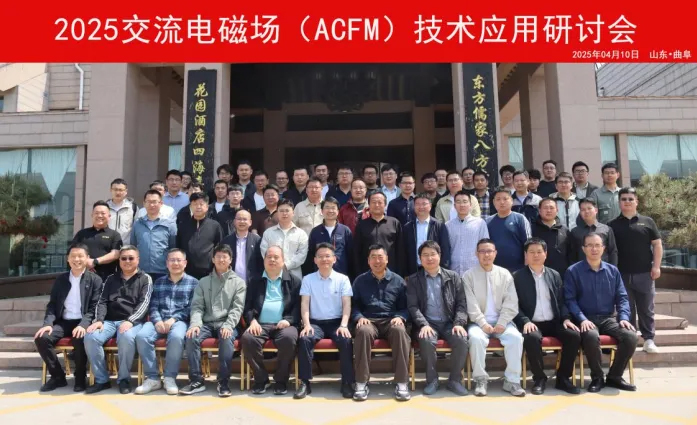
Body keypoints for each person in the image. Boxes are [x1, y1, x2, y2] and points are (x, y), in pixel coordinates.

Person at [565, 233, 638, 392]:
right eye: (590, 245)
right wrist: (582, 319)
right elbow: (570, 300)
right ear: (583, 249)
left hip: (608, 319)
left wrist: (624, 317)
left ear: (603, 248)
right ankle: (597, 378)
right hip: (586, 319)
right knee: (591, 336)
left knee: (631, 336)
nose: (594, 249)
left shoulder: (613, 271)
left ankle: (614, 376)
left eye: (597, 245)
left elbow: (622, 297)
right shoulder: (573, 271)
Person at [513, 238, 581, 395]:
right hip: (531, 322)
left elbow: (562, 300)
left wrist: (566, 318)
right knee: (531, 337)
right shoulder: (517, 277)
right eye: (532, 252)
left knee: (573, 335)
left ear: (545, 254)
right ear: (526, 255)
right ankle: (539, 378)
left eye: (539, 252)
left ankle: (563, 378)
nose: (536, 255)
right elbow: (513, 304)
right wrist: (525, 321)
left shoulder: (554, 275)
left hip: (554, 321)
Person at [84, 246, 153, 394]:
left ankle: (124, 379)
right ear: (119, 260)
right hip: (109, 321)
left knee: (126, 337)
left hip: (133, 321)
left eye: (131, 258)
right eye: (123, 258)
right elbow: (102, 301)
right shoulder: (111, 279)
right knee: (90, 337)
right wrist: (99, 320)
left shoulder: (145, 278)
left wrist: (130, 320)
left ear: (138, 260)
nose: (127, 261)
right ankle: (102, 380)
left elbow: (144, 303)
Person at [180, 244, 247, 397]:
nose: (221, 260)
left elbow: (237, 308)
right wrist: (195, 324)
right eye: (218, 256)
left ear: (230, 260)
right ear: (213, 259)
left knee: (226, 337)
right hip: (207, 323)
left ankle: (223, 381)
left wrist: (229, 325)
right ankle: (196, 380)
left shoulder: (239, 282)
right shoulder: (203, 282)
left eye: (225, 257)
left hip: (227, 323)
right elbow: (197, 306)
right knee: (191, 336)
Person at [34, 243, 103, 392]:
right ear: (68, 259)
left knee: (79, 337)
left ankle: (80, 377)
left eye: (80, 256)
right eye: (73, 256)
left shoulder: (95, 280)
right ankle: (58, 377)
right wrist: (48, 323)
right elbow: (52, 305)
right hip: (63, 322)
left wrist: (83, 324)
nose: (76, 259)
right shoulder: (61, 279)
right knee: (42, 338)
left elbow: (94, 307)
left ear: (87, 258)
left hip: (82, 321)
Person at [463, 239, 525, 397]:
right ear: (476, 254)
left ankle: (512, 381)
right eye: (482, 251)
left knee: (516, 338)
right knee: (476, 339)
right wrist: (483, 324)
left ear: (495, 253)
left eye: (489, 251)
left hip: (503, 322)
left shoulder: (505, 274)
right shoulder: (468, 276)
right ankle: (480, 380)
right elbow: (471, 305)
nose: (486, 255)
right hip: (477, 323)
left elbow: (511, 302)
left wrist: (502, 322)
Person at [406, 241, 469, 396]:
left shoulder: (453, 277)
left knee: (461, 339)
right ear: (420, 258)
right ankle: (432, 380)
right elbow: (413, 307)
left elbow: (461, 303)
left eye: (433, 254)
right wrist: (423, 324)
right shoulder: (414, 280)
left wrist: (459, 323)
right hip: (428, 323)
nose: (429, 258)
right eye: (425, 255)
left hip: (450, 322)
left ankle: (455, 380)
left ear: (439, 256)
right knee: (426, 340)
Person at [134, 249, 198, 395]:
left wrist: (173, 319)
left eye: (178, 260)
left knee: (176, 337)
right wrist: (157, 321)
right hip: (159, 319)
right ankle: (153, 378)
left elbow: (192, 308)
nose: (175, 263)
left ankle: (170, 377)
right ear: (167, 263)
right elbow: (153, 305)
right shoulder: (159, 282)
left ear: (185, 263)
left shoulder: (194, 283)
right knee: (142, 336)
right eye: (172, 260)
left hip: (180, 320)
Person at [351, 244, 411, 401]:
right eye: (373, 257)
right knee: (363, 331)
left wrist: (400, 317)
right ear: (368, 261)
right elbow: (353, 305)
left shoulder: (398, 281)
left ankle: (402, 382)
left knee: (400, 331)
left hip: (391, 320)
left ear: (387, 259)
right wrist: (359, 317)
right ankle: (361, 382)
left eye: (380, 257)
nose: (377, 261)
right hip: (369, 320)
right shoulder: (360, 281)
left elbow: (406, 307)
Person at [295, 243, 354, 399]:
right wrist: (306, 324)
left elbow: (347, 304)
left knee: (346, 339)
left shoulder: (343, 279)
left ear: (334, 259)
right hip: (315, 323)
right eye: (320, 256)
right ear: (315, 260)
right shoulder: (308, 279)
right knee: (305, 338)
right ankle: (304, 382)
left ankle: (347, 382)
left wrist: (344, 325)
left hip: (337, 322)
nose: (324, 259)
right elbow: (304, 304)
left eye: (327, 256)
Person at [609, 187, 663, 354]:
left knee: (646, 308)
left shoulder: (647, 222)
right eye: (624, 199)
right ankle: (629, 340)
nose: (627, 202)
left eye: (630, 199)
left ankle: (648, 339)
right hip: (621, 274)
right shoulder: (612, 225)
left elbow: (657, 245)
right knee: (626, 309)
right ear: (619, 202)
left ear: (636, 202)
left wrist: (656, 266)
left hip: (645, 273)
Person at [241, 245, 301, 395]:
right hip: (260, 324)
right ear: (264, 260)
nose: (272, 260)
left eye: (276, 257)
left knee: (289, 338)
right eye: (269, 257)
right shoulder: (255, 280)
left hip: (285, 324)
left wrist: (288, 320)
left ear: (283, 261)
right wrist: (252, 321)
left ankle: (281, 381)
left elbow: (298, 307)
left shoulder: (294, 281)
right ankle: (261, 379)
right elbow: (247, 306)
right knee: (248, 338)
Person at [132, 189, 177, 282]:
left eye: (154, 202)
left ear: (161, 203)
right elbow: (133, 246)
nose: (152, 205)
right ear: (144, 203)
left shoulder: (170, 224)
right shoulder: (137, 224)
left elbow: (173, 247)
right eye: (148, 202)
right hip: (141, 271)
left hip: (163, 271)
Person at [353, 192, 402, 276]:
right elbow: (356, 251)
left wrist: (400, 272)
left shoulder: (394, 223)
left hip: (391, 272)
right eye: (374, 202)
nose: (377, 205)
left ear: (385, 205)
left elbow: (400, 250)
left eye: (380, 202)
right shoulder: (361, 225)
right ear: (369, 205)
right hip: (367, 272)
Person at [176, 192, 224, 279]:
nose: (198, 207)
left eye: (201, 204)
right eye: (195, 204)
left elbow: (220, 246)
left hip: (208, 271)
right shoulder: (183, 225)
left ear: (207, 207)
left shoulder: (214, 225)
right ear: (190, 206)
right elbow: (178, 246)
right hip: (186, 271)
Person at [72, 201, 123, 281]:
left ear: (109, 216)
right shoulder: (82, 234)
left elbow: (116, 254)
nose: (99, 216)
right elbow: (72, 252)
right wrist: (85, 262)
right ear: (92, 215)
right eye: (96, 213)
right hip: (83, 278)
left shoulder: (114, 235)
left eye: (103, 213)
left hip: (107, 279)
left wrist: (95, 261)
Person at [403, 193, 451, 276]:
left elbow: (445, 249)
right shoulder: (408, 227)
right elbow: (404, 251)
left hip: (434, 270)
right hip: (413, 270)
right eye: (417, 204)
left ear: (430, 206)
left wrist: (443, 271)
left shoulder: (439, 226)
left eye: (424, 204)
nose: (421, 207)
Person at [260, 199, 309, 280]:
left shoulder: (301, 234)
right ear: (277, 213)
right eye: (281, 211)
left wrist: (285, 265)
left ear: (293, 213)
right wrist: (276, 264)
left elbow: (302, 255)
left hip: (294, 276)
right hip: (272, 274)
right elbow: (264, 252)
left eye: (287, 211)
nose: (284, 213)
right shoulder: (268, 233)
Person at [486, 188, 531, 273]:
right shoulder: (488, 221)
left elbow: (528, 244)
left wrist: (527, 268)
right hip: (495, 269)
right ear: (494, 202)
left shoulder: (520, 218)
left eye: (505, 199)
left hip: (518, 269)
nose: (502, 202)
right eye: (498, 199)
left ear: (512, 201)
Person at [306, 197, 352, 276]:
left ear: (338, 211)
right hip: (319, 275)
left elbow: (351, 255)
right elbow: (311, 255)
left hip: (341, 274)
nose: (330, 210)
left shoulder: (345, 230)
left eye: (333, 208)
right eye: (327, 207)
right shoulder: (315, 232)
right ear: (322, 211)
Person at [445, 190, 488, 275]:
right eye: (458, 202)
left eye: (465, 202)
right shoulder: (448, 225)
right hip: (454, 271)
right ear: (454, 206)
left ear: (470, 205)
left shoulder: (480, 223)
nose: (462, 205)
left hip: (474, 270)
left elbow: (485, 247)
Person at [569, 198, 618, 265]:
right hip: (582, 269)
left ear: (596, 210)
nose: (586, 211)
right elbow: (572, 255)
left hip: (604, 269)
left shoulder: (607, 229)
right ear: (580, 212)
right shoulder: (575, 232)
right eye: (583, 210)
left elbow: (613, 252)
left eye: (589, 208)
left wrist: (612, 268)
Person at [531, 198, 572, 276]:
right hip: (538, 273)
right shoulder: (532, 229)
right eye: (545, 208)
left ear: (557, 210)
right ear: (539, 210)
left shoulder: (564, 230)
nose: (549, 210)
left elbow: (570, 254)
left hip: (561, 274)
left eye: (551, 208)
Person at [220, 209, 263, 285]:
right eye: (239, 219)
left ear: (250, 222)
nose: (242, 222)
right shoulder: (226, 241)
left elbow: (260, 264)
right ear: (234, 222)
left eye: (245, 219)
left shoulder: (257, 241)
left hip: (252, 284)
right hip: (231, 284)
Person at [106, 178, 137, 245]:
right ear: (111, 190)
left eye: (120, 190)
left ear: (126, 191)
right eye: (115, 189)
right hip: (107, 246)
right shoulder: (105, 207)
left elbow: (137, 229)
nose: (118, 192)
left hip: (125, 247)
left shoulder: (133, 207)